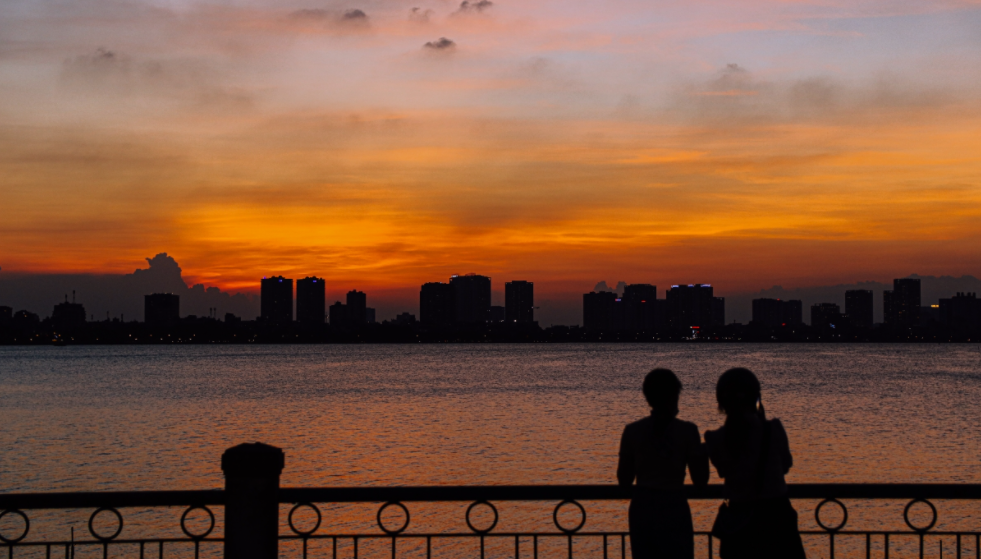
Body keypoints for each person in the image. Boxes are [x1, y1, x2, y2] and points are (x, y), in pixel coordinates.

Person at [703, 368, 806, 559]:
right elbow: (785, 465)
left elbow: (723, 470)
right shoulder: (773, 430)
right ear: (756, 398)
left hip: (739, 524)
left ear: (722, 403)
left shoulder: (715, 439)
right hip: (777, 520)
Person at [617, 368, 709, 559]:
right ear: (675, 395)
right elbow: (700, 480)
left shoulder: (632, 431)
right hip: (674, 506)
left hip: (643, 507)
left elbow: (624, 480)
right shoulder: (688, 431)